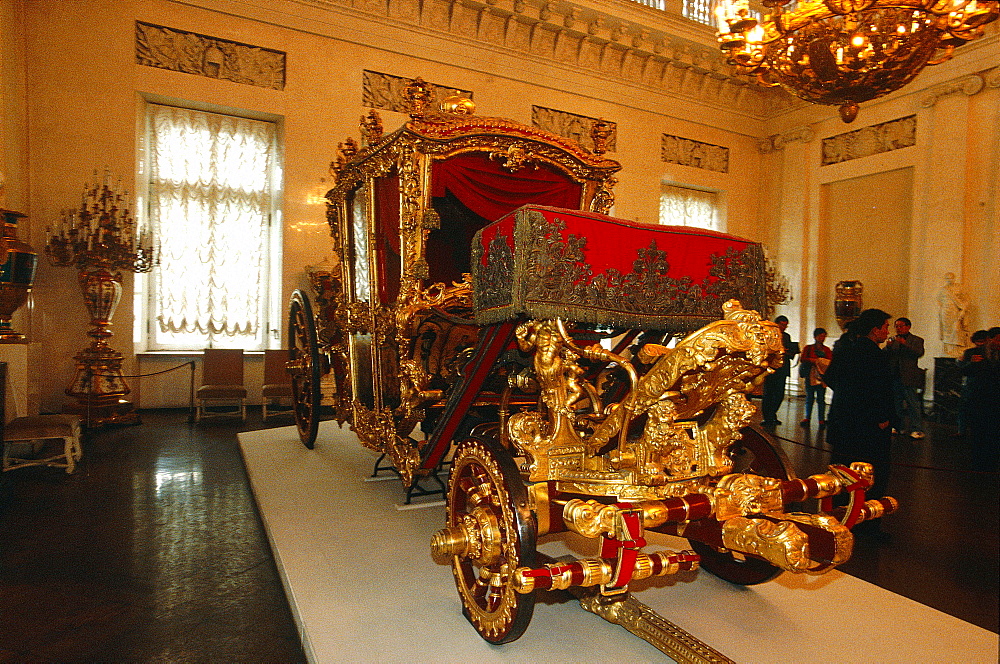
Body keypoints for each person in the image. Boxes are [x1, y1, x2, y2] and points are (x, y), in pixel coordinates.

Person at [824, 309, 896, 504]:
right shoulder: (876, 356)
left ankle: (838, 512)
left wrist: (846, 396)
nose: (888, 332)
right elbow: (879, 390)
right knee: (870, 473)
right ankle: (866, 520)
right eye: (886, 327)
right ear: (875, 330)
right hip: (869, 425)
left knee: (843, 469)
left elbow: (830, 377)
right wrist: (882, 417)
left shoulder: (846, 350)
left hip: (843, 419)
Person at [960, 326, 1000, 467]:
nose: (999, 343)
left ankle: (993, 461)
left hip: (996, 400)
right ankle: (978, 461)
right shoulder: (974, 352)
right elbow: (964, 371)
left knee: (994, 432)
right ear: (989, 339)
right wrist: (971, 363)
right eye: (997, 339)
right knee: (979, 432)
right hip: (979, 398)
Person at [885, 317, 926, 439]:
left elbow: (919, 353)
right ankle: (898, 427)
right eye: (896, 326)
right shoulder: (893, 340)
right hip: (894, 376)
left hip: (908, 376)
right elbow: (885, 354)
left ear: (908, 327)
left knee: (912, 403)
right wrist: (888, 346)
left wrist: (905, 344)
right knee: (896, 404)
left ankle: (917, 429)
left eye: (901, 326)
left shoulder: (917, 340)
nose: (898, 328)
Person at [761, 315, 799, 426]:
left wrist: (789, 351)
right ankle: (767, 417)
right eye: (782, 324)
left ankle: (773, 414)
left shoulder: (786, 336)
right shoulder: (769, 335)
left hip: (782, 368)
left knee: (779, 394)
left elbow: (789, 351)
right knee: (769, 393)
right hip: (772, 368)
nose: (784, 327)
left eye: (785, 325)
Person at [955, 330, 989, 437]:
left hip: (986, 384)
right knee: (964, 407)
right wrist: (971, 363)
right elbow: (962, 370)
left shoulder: (991, 352)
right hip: (971, 383)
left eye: (982, 342)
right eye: (978, 342)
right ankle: (961, 430)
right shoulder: (969, 352)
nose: (980, 345)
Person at [799, 327, 832, 427]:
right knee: (809, 397)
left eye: (824, 336)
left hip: (822, 376)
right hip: (811, 375)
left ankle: (821, 420)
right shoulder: (808, 348)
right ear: (815, 337)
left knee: (821, 399)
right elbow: (803, 359)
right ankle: (807, 417)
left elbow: (830, 361)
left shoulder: (826, 349)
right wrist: (812, 360)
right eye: (820, 336)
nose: (822, 338)